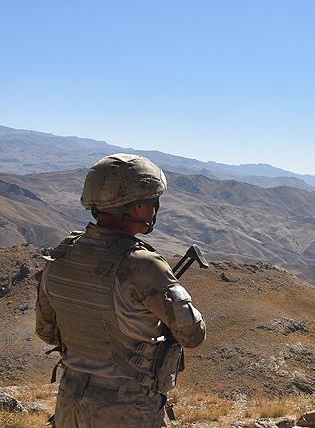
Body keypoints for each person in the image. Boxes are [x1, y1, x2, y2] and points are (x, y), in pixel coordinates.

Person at [35, 154, 206, 428]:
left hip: (70, 401)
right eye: (153, 202)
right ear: (137, 207)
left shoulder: (62, 254)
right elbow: (192, 335)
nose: (155, 209)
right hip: (126, 408)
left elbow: (46, 331)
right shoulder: (143, 265)